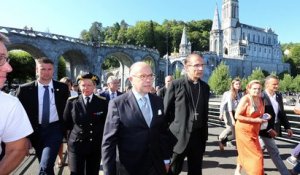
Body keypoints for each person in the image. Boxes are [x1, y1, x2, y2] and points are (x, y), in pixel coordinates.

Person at [102, 62, 171, 175]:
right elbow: (109, 142)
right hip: (129, 168)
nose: (148, 80)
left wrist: (166, 159)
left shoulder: (158, 101)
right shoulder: (118, 104)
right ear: (131, 79)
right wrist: (108, 172)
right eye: (143, 76)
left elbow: (162, 133)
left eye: (150, 76)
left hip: (156, 166)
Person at [16, 57, 70, 175]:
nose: (46, 72)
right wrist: (24, 138)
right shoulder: (24, 89)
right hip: (34, 131)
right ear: (36, 70)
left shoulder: (62, 88)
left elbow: (68, 110)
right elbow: (18, 116)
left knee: (45, 166)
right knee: (45, 164)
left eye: (49, 69)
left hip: (54, 130)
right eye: (43, 69)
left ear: (53, 70)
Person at [164, 53, 210, 175]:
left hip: (198, 137)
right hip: (178, 138)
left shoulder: (205, 87)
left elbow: (205, 113)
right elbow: (165, 112)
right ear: (186, 67)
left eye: (202, 65)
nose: (200, 68)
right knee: (172, 171)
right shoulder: (176, 85)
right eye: (196, 65)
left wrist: (204, 138)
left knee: (196, 171)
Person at [0, 33, 33, 174]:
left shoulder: (9, 104)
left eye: (5, 59)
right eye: (0, 59)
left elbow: (16, 149)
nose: (9, 68)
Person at [63, 73, 108, 175]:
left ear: (94, 86)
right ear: (79, 86)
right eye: (83, 85)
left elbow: (106, 123)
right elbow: (66, 123)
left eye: (89, 85)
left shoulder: (103, 102)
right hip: (76, 144)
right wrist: (69, 140)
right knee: (76, 173)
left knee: (92, 172)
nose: (86, 88)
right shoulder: (72, 102)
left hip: (95, 144)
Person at [258, 75, 292, 175]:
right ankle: (285, 173)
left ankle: (246, 166)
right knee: (275, 152)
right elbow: (260, 115)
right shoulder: (261, 96)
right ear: (267, 84)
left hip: (273, 127)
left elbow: (281, 113)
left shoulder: (278, 95)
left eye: (277, 84)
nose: (277, 86)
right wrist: (268, 129)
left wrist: (287, 127)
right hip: (263, 129)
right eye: (274, 84)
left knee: (258, 151)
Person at [234, 80, 269, 175]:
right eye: (254, 88)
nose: (257, 91)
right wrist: (256, 120)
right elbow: (237, 116)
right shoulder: (246, 99)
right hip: (243, 131)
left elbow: (259, 115)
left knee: (245, 151)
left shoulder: (261, 100)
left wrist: (265, 117)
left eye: (259, 89)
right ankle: (257, 173)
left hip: (254, 131)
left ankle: (237, 170)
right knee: (257, 155)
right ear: (248, 89)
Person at [218, 78, 242, 150]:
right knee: (229, 128)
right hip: (228, 113)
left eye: (239, 84)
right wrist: (221, 114)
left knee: (235, 132)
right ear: (233, 85)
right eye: (236, 84)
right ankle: (220, 139)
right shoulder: (228, 93)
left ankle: (222, 141)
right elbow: (223, 104)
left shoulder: (240, 94)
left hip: (236, 113)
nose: (238, 85)